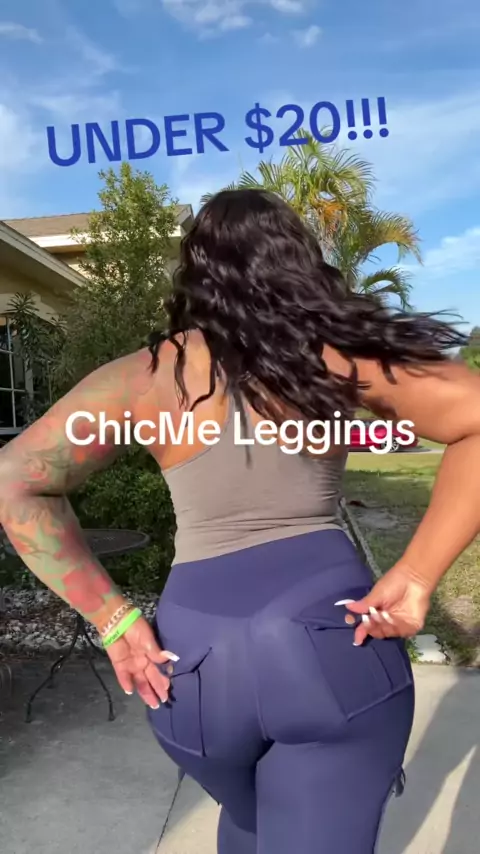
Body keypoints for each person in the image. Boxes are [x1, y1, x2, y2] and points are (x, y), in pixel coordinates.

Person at [0, 188, 479, 854]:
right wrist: (418, 576)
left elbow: (15, 481)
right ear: (298, 261)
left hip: (194, 667)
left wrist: (113, 618)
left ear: (195, 273)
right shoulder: (335, 356)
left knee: (251, 826)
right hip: (329, 640)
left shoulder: (143, 378)